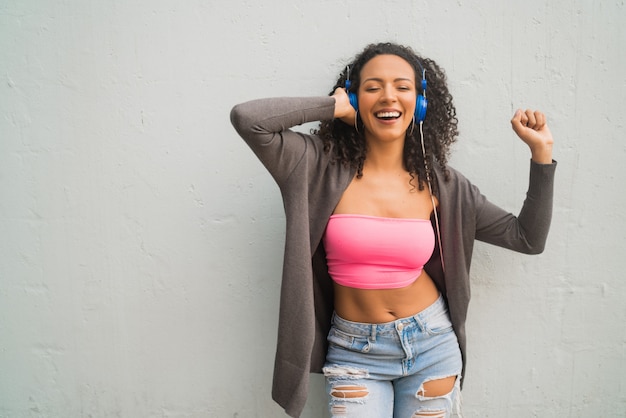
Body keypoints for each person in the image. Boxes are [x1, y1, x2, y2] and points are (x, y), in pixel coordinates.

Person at [230, 42, 556, 418]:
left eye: (403, 86)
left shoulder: (445, 186)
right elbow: (247, 119)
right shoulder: (313, 165)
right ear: (355, 98)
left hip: (432, 345)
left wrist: (541, 154)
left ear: (420, 102)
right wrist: (333, 107)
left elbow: (527, 238)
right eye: (372, 87)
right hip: (354, 351)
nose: (388, 96)